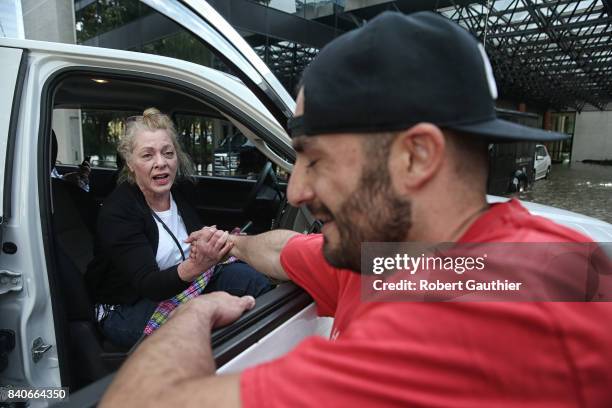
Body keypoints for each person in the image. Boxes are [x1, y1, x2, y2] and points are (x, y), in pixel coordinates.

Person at [100, 12, 612, 407]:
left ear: (417, 157)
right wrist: (233, 246)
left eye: (315, 159)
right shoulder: (401, 260)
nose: (296, 190)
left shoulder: (484, 317)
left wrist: (196, 310)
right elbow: (287, 250)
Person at [85, 108, 272, 348]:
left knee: (250, 279)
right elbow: (149, 284)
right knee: (200, 322)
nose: (161, 163)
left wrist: (220, 240)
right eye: (147, 155)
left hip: (185, 287)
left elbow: (196, 239)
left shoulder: (179, 191)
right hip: (128, 308)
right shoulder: (117, 212)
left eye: (168, 153)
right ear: (130, 163)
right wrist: (198, 264)